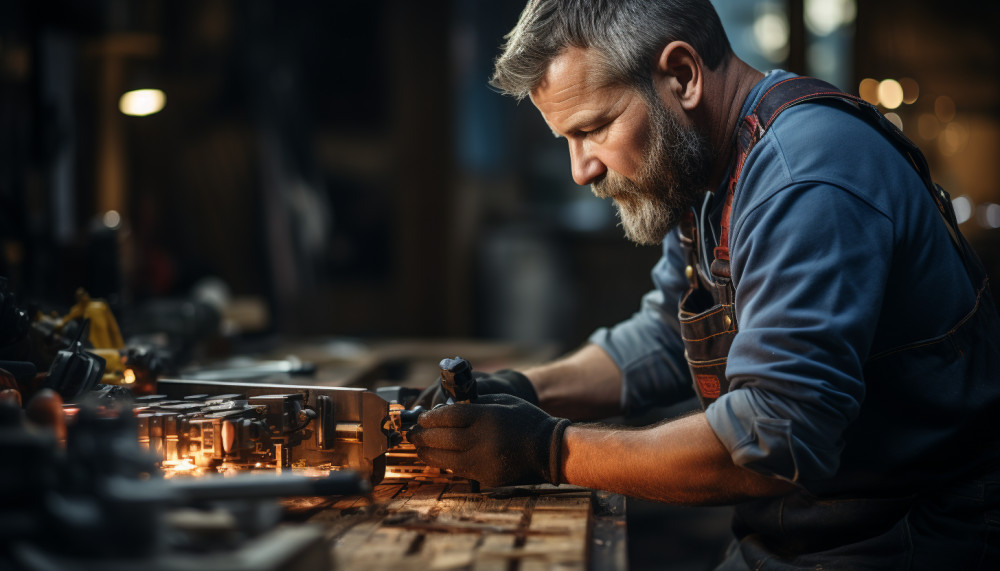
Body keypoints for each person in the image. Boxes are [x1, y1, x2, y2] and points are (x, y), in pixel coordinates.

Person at [407, 0, 1000, 568]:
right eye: (566, 139)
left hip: (907, 541)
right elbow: (670, 335)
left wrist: (547, 449)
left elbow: (776, 438)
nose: (580, 169)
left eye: (594, 129)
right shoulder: (704, 168)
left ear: (683, 75)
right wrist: (524, 390)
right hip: (806, 531)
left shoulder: (805, 178)